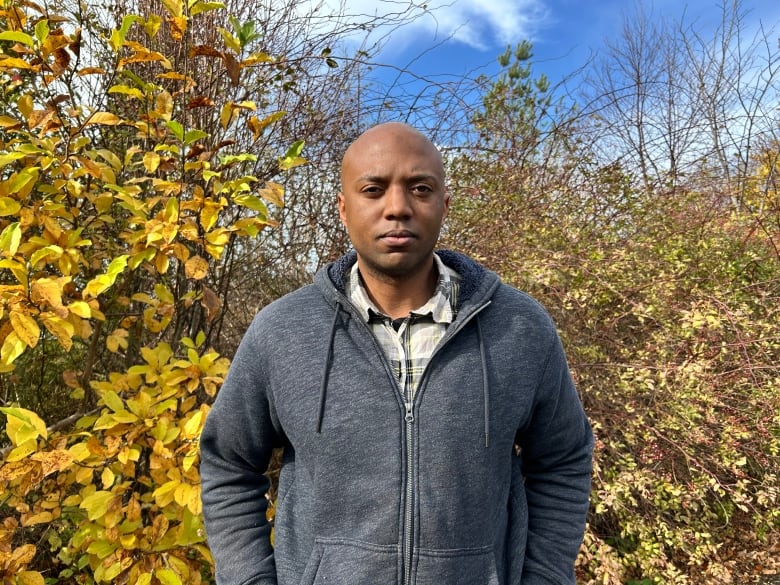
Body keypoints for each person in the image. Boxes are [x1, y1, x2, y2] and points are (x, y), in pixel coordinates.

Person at [199, 122, 593, 585]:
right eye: (374, 189)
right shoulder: (283, 332)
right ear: (344, 208)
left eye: (420, 188)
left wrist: (545, 577)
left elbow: (563, 460)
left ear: (444, 204)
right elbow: (228, 462)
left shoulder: (520, 329)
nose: (398, 208)